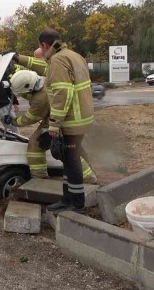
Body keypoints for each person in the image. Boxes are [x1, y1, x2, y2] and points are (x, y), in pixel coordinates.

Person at [38, 28, 94, 214]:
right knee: (68, 160)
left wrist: (54, 124)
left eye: (41, 47)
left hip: (72, 121)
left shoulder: (58, 60)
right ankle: (67, 199)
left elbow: (63, 93)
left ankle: (77, 204)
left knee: (71, 160)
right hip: (82, 117)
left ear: (45, 45)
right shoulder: (75, 56)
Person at [8, 70, 96, 183]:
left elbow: (31, 118)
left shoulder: (40, 98)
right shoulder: (45, 80)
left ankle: (40, 178)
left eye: (22, 93)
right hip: (71, 117)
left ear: (29, 88)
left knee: (38, 145)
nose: (22, 96)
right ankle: (89, 175)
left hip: (59, 122)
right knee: (74, 147)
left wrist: (14, 121)